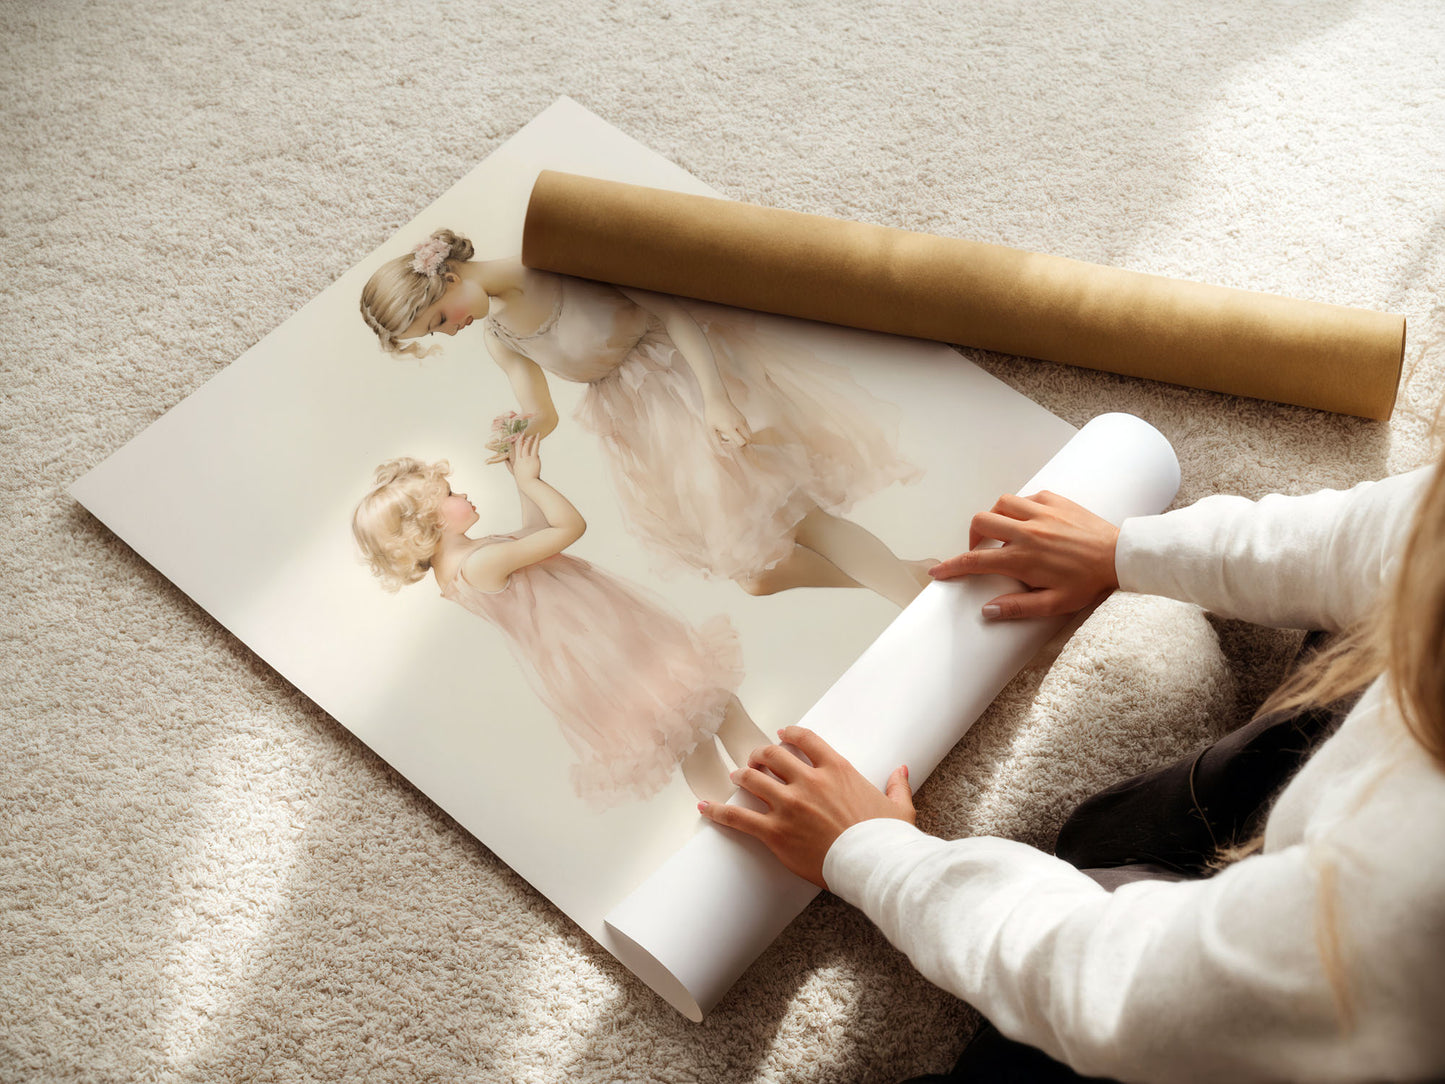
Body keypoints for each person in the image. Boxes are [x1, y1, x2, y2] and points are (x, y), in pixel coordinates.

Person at [698, 464, 1445, 1081]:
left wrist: (874, 855)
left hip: (1336, 1015)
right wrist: (1124, 550)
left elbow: (1122, 990)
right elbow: (1387, 534)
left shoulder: (1407, 899)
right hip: (1343, 861)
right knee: (1115, 831)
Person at [359, 229, 930, 607]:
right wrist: (521, 434)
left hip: (695, 381)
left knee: (798, 520)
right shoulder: (501, 337)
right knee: (756, 575)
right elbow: (543, 411)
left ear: (449, 279)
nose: (447, 330)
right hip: (646, 430)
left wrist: (716, 400)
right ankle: (913, 576)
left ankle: (915, 605)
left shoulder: (558, 261)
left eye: (436, 320)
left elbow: (674, 313)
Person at [352, 434, 767, 809]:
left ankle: (737, 814)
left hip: (604, 653)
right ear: (431, 520)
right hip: (611, 648)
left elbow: (537, 532)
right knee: (717, 708)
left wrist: (522, 478)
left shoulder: (466, 563)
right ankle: (786, 780)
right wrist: (533, 483)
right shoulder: (480, 564)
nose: (462, 494)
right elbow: (569, 528)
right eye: (450, 493)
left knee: (692, 736)